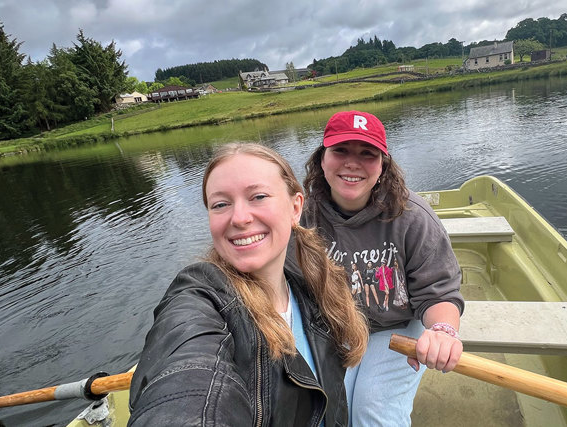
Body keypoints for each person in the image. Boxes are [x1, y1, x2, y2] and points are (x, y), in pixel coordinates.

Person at [128, 142, 369, 426]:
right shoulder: (202, 298)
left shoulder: (311, 280)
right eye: (220, 204)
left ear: (295, 208)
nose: (239, 218)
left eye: (258, 197)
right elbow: (186, 381)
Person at [291, 110, 465, 426]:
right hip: (334, 330)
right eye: (340, 150)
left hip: (395, 329)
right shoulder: (301, 217)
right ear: (322, 160)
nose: (352, 163)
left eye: (367, 154)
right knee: (328, 408)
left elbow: (439, 292)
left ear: (382, 165)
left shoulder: (412, 217)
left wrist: (443, 331)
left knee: (372, 412)